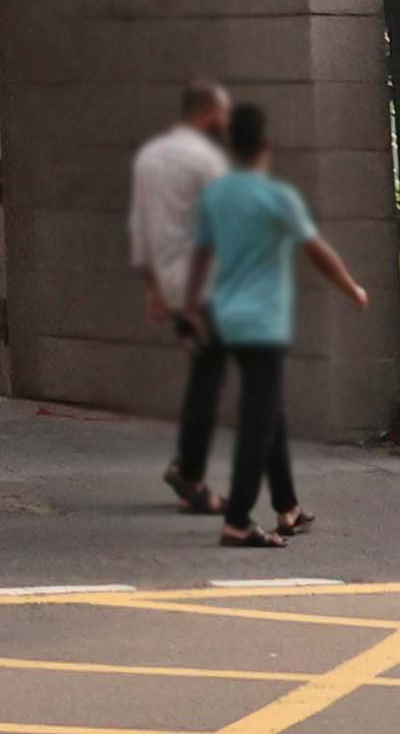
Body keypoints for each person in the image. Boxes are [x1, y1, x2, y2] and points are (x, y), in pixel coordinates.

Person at [180, 99, 370, 548]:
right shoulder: (277, 198)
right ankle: (238, 520)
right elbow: (317, 251)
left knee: (270, 413)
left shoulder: (216, 195)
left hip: (221, 317)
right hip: (261, 324)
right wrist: (351, 288)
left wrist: (189, 307)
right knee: (257, 420)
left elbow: (199, 256)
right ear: (266, 144)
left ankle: (287, 507)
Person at [127, 80, 232, 513]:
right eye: (223, 114)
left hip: (171, 280)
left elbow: (142, 225)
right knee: (210, 379)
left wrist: (154, 288)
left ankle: (187, 467)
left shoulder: (151, 157)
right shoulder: (208, 161)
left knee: (205, 373)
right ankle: (189, 474)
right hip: (202, 284)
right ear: (209, 114)